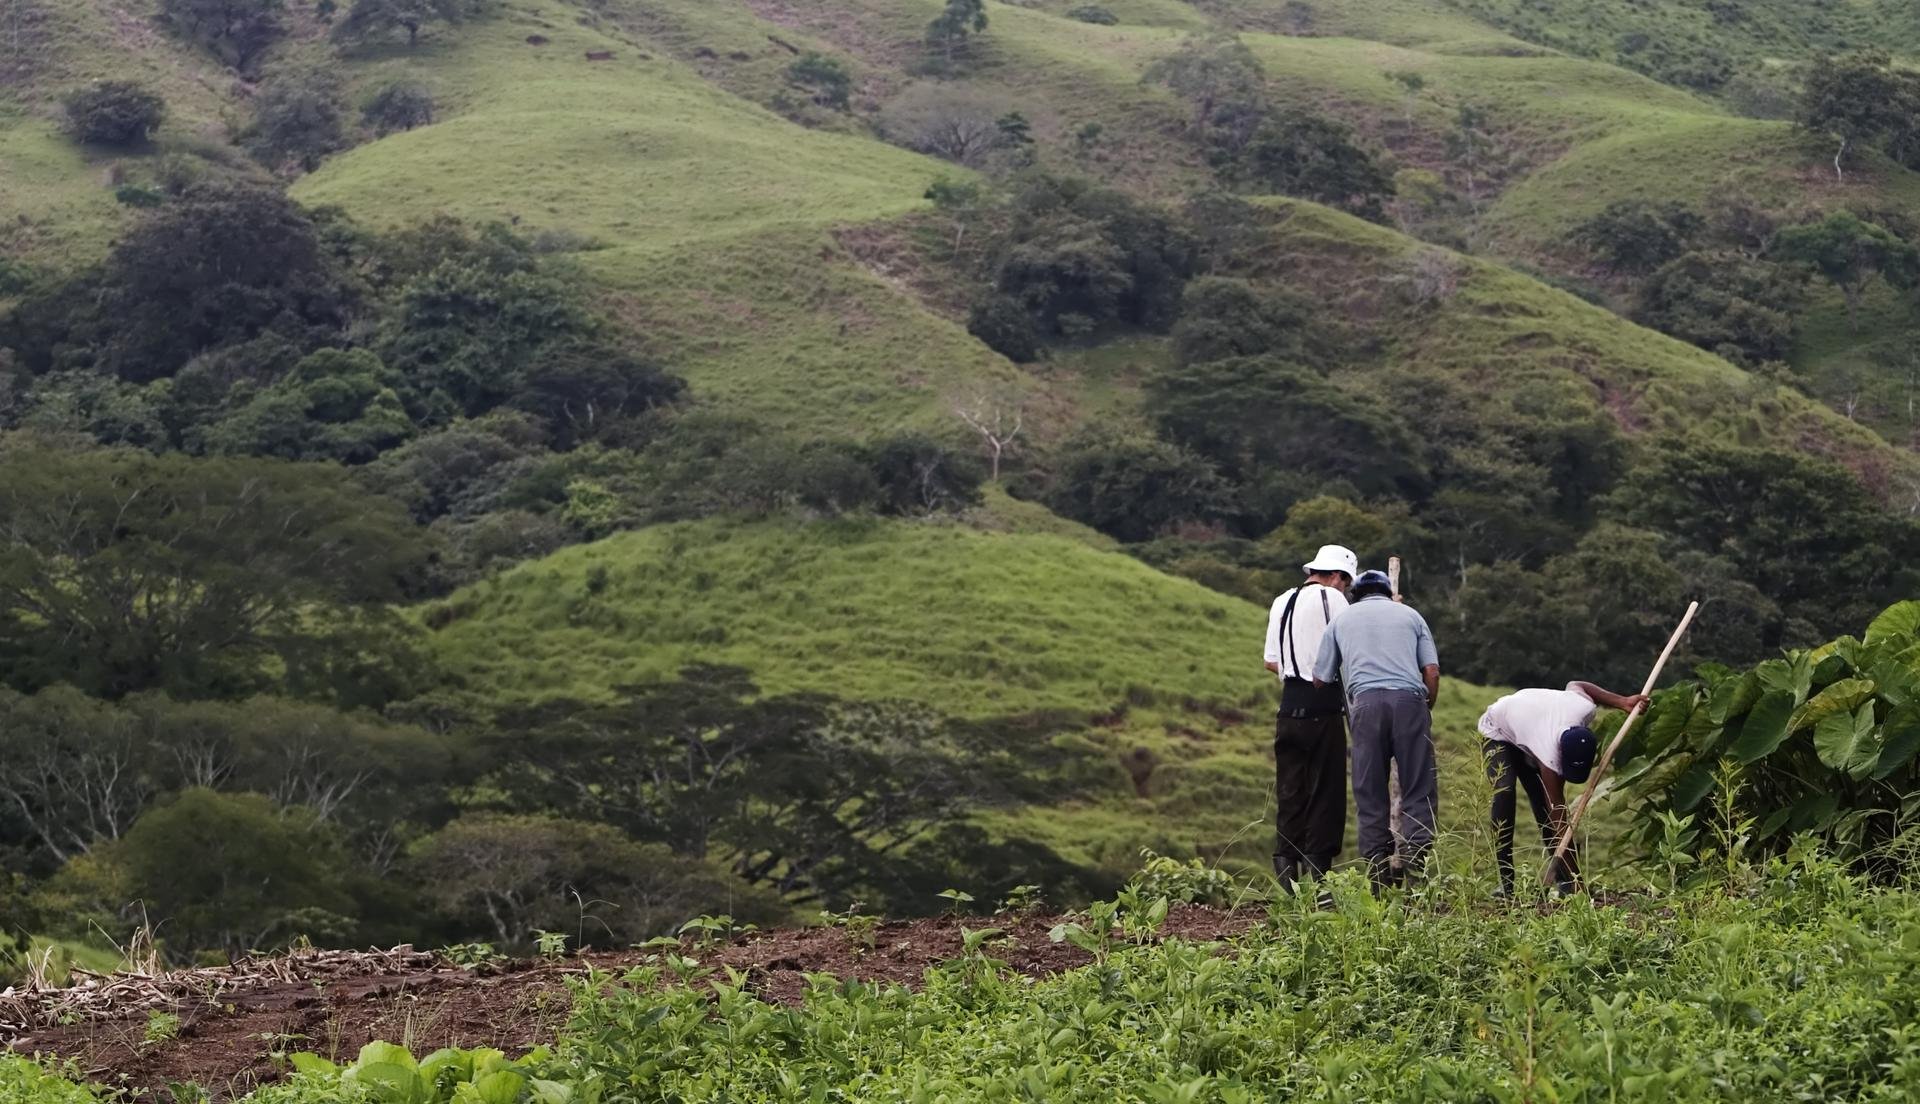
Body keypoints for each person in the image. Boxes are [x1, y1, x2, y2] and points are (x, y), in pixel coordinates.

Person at [1312, 569, 1439, 891]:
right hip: (1410, 702)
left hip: (1366, 707)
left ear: (1356, 594)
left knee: (1369, 792)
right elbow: (1432, 671)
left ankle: (1377, 875)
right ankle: (1415, 870)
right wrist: (1427, 706)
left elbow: (1320, 678)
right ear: (1387, 592)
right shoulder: (1411, 616)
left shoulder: (1341, 621)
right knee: (1418, 787)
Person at [1477, 681, 1648, 896]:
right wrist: (1579, 880)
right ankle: (1506, 882)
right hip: (1498, 731)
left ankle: (1565, 881)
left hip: (1530, 725)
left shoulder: (1583, 708)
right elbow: (1558, 816)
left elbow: (1576, 684)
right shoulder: (1548, 756)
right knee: (1505, 792)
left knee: (1542, 803)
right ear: (1560, 754)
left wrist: (1622, 702)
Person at [1262, 545, 1356, 891]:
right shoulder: (1333, 600)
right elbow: (1348, 651)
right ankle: (1317, 884)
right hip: (1323, 706)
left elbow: (1271, 661)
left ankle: (1288, 882)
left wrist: (1295, 661)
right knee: (1326, 794)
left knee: (1291, 792)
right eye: (1346, 583)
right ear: (1337, 576)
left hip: (1288, 710)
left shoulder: (1282, 600)